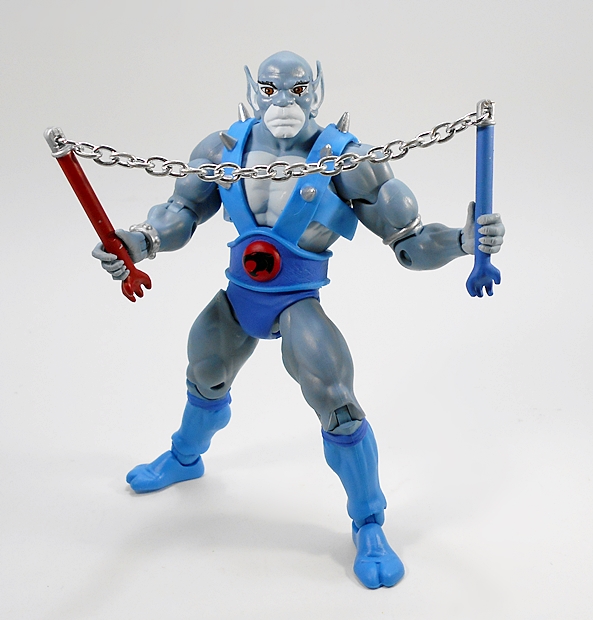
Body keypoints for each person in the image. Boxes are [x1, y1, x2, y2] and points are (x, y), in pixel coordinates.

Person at [93, 51, 505, 589]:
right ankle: (184, 457)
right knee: (205, 372)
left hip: (296, 300)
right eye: (269, 89)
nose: (283, 100)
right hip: (240, 296)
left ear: (317, 91)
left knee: (337, 402)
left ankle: (369, 523)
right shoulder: (223, 149)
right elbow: (181, 213)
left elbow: (408, 241)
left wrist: (462, 241)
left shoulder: (348, 160)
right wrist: (137, 241)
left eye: (297, 88)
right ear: (252, 88)